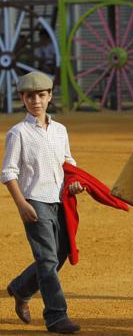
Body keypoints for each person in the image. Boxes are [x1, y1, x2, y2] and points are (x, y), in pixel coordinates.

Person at [2, 71, 84, 334]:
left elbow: (68, 162)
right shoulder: (18, 133)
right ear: (23, 99)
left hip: (60, 200)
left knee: (58, 255)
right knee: (47, 259)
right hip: (35, 201)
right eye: (29, 96)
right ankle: (56, 316)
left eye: (41, 95)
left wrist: (74, 183)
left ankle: (21, 287)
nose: (35, 100)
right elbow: (8, 173)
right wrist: (21, 204)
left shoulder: (61, 130)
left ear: (49, 96)